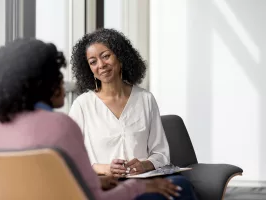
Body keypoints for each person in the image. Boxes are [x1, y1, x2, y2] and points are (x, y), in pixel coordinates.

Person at [0, 38, 186, 200]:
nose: (63, 82)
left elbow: (55, 178)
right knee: (181, 187)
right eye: (56, 75)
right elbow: (92, 196)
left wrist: (100, 181)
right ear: (40, 82)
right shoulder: (60, 125)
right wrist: (140, 185)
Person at [69, 28, 198, 200]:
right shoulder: (82, 105)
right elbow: (71, 159)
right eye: (93, 62)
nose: (101, 65)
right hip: (106, 183)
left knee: (180, 185)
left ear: (120, 57)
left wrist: (145, 165)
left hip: (144, 178)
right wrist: (105, 168)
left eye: (106, 56)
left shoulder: (145, 99)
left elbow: (160, 153)